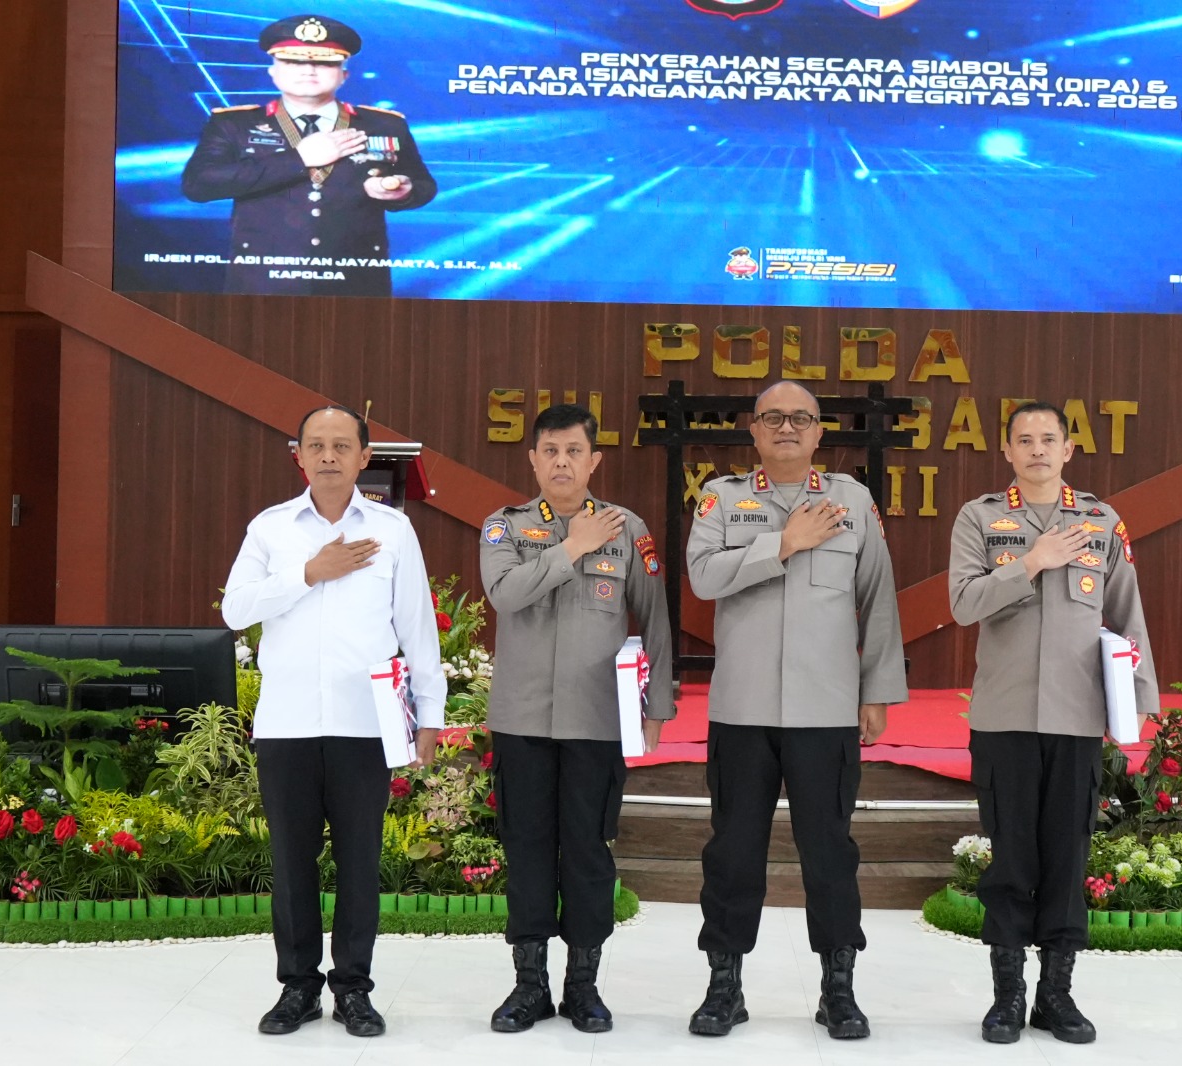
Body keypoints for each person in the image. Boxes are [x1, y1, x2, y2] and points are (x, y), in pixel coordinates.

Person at [685, 382, 907, 1040]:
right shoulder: (722, 498)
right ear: (753, 430)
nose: (787, 427)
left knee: (830, 853)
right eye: (774, 417)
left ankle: (838, 987)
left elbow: (879, 597)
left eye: (800, 418)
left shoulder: (852, 501)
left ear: (818, 432)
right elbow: (702, 578)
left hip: (826, 707)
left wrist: (876, 690)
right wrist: (782, 542)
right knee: (733, 853)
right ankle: (724, 986)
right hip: (743, 708)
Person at [222, 404, 445, 1038]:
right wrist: (308, 573)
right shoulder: (270, 529)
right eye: (315, 445)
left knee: (359, 863)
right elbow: (235, 609)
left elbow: (418, 629)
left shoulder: (393, 530)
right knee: (292, 864)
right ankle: (297, 987)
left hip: (365, 726)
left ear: (363, 457)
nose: (327, 456)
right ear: (298, 455)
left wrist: (429, 716)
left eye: (341, 446)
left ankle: (353, 989)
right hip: (287, 725)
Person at [947, 402, 1159, 1046]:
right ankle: (1007, 996)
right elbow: (963, 603)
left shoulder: (1102, 520)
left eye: (1048, 439)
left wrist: (1140, 697)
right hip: (1005, 716)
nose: (1037, 449)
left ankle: (1056, 994)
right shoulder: (979, 517)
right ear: (1007, 451)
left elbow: (1127, 612)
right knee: (1011, 856)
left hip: (1076, 716)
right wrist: (1030, 562)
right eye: (1024, 440)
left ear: (1068, 450)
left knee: (1068, 857)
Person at [479, 403, 674, 1035]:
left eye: (573, 451)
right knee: (528, 849)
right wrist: (570, 548)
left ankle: (583, 985)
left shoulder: (626, 528)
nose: (561, 462)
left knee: (589, 853)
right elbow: (505, 594)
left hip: (597, 720)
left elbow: (655, 616)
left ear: (594, 461)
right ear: (533, 460)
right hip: (523, 720)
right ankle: (529, 985)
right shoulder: (505, 528)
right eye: (550, 451)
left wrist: (657, 705)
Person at [181, 14, 437, 297]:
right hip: (262, 280)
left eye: (325, 62)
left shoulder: (385, 124)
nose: (309, 70)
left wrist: (403, 192)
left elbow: (423, 185)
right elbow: (198, 185)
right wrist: (299, 159)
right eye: (293, 61)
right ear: (273, 71)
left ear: (344, 74)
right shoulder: (233, 123)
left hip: (356, 279)